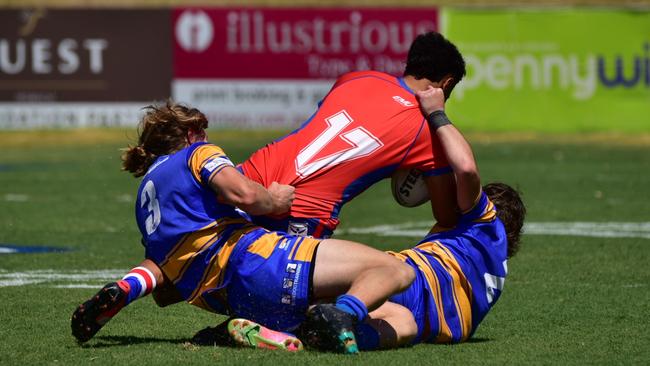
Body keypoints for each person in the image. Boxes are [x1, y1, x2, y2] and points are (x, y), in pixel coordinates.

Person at [70, 102, 415, 354]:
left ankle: (265, 333)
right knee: (393, 270)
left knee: (401, 319)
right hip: (258, 262)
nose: (206, 136)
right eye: (201, 131)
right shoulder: (197, 154)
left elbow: (163, 285)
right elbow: (246, 193)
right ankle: (341, 317)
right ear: (190, 134)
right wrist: (277, 201)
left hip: (235, 300)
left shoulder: (146, 200)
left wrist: (126, 289)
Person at [216, 83, 526, 351]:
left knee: (361, 284)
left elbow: (467, 169)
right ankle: (300, 332)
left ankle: (280, 319)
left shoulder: (484, 223)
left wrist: (437, 114)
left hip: (396, 283)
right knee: (402, 325)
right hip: (413, 318)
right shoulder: (492, 266)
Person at [239, 31, 467, 238]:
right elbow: (446, 217)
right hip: (304, 213)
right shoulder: (427, 130)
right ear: (446, 84)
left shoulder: (354, 78)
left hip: (251, 175)